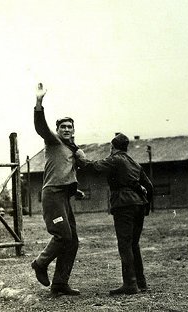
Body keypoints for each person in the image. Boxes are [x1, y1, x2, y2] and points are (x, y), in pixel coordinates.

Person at [76, 133, 153, 295]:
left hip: (123, 205)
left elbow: (94, 166)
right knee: (134, 244)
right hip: (139, 205)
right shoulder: (135, 163)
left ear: (113, 147)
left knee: (125, 244)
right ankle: (141, 283)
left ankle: (130, 284)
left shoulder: (115, 159)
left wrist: (81, 157)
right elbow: (149, 186)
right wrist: (146, 207)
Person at [31, 83, 82, 296]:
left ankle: (60, 283)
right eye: (63, 127)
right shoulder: (53, 142)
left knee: (73, 240)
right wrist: (39, 102)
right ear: (58, 130)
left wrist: (74, 190)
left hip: (63, 196)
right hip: (52, 195)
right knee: (63, 235)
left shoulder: (72, 150)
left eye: (70, 127)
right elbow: (41, 126)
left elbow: (64, 172)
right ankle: (40, 263)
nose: (67, 130)